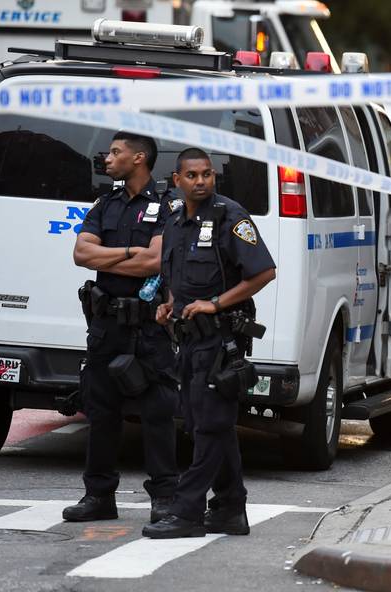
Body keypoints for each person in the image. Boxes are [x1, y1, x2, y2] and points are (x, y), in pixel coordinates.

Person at [143, 148, 276, 539]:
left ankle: (186, 512)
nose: (200, 181)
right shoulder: (174, 221)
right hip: (189, 341)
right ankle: (230, 508)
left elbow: (264, 272)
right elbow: (176, 277)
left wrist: (214, 303)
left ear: (213, 177)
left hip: (221, 341)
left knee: (210, 427)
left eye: (207, 175)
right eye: (192, 175)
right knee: (208, 424)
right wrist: (168, 305)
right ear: (178, 180)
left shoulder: (230, 217)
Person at [65, 132, 178, 523]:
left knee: (158, 413)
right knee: (100, 412)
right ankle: (98, 496)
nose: (108, 158)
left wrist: (111, 258)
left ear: (139, 158)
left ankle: (164, 498)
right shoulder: (105, 203)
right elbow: (81, 253)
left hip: (148, 327)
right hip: (106, 324)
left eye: (116, 152)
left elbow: (155, 262)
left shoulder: (167, 205)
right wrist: (131, 252)